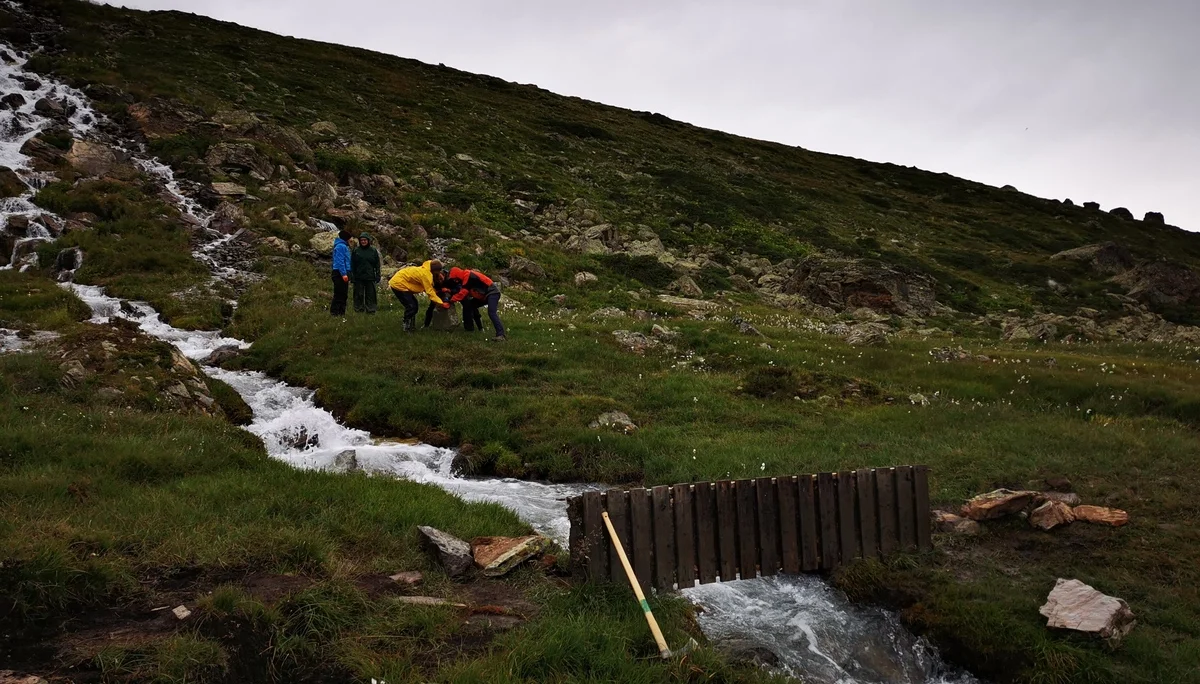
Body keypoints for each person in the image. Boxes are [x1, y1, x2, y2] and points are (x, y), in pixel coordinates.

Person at [447, 266, 506, 340]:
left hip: (492, 293)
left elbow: (462, 293)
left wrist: (450, 301)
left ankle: (501, 334)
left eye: (455, 279)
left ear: (457, 275)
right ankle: (473, 329)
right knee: (470, 306)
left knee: (491, 312)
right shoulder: (466, 276)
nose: (455, 281)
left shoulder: (467, 276)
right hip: (485, 295)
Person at [388, 259, 447, 332]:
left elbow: (428, 287)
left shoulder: (428, 266)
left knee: (414, 305)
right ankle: (406, 327)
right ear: (435, 271)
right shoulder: (426, 275)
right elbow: (430, 292)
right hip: (398, 284)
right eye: (438, 271)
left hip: (401, 280)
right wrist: (441, 303)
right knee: (411, 306)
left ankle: (411, 326)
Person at [350, 232, 381, 314]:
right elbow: (352, 264)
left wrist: (378, 274)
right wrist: (352, 275)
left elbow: (377, 264)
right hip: (358, 276)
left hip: (370, 276)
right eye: (361, 240)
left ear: (368, 241)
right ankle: (359, 309)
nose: (363, 242)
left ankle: (371, 310)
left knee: (370, 294)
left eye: (365, 240)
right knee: (358, 294)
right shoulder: (356, 250)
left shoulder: (373, 251)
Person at [329, 230, 351, 316]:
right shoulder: (341, 246)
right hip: (339, 273)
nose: (350, 241)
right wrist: (344, 274)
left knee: (343, 294)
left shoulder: (342, 246)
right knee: (339, 293)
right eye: (349, 239)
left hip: (342, 272)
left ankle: (341, 312)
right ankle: (335, 312)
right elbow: (340, 261)